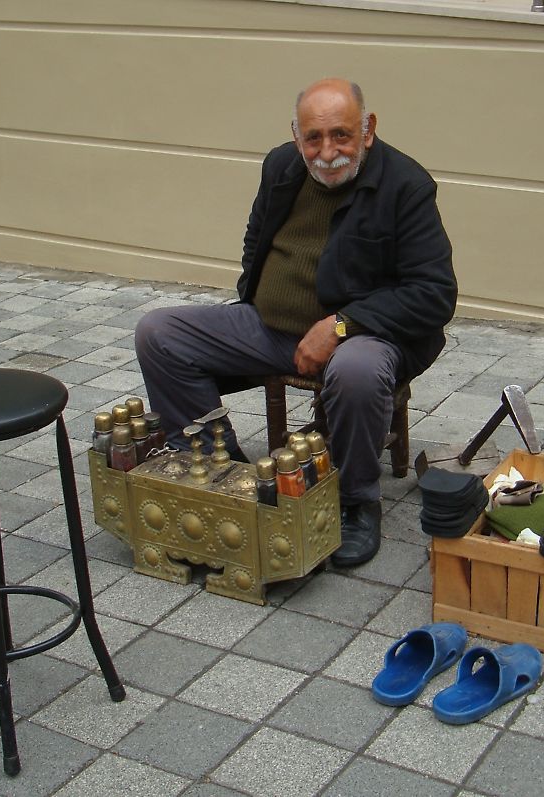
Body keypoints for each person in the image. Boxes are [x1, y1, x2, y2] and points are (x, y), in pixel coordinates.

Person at [135, 77, 457, 566]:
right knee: (159, 334)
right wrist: (254, 295)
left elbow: (434, 295)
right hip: (271, 329)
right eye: (314, 138)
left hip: (364, 336)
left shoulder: (405, 185)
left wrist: (341, 325)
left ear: (367, 129)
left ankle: (353, 502)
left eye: (341, 135)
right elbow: (255, 238)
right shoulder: (281, 167)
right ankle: (219, 464)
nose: (327, 151)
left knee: (355, 372)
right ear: (296, 136)